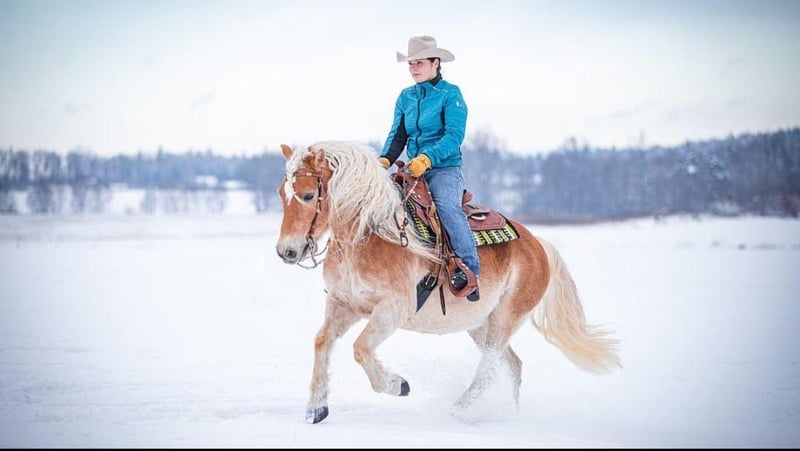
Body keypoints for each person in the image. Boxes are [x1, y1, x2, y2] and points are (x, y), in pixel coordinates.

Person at [378, 35, 480, 302]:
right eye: (410, 63)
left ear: (436, 63)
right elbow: (398, 135)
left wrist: (427, 157)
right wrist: (384, 160)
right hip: (412, 170)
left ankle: (469, 271)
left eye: (419, 63)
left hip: (444, 168)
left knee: (447, 207)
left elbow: (454, 135)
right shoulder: (405, 97)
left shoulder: (451, 94)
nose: (413, 68)